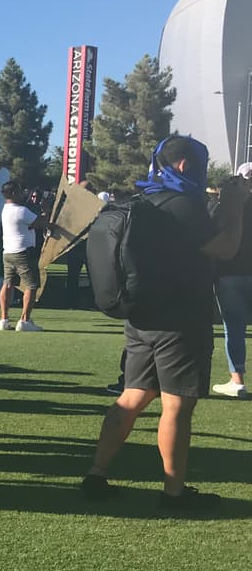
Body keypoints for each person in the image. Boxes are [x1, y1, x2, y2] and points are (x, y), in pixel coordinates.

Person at [83, 136, 248, 510]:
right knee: (177, 407)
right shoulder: (185, 205)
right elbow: (224, 249)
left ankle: (97, 473)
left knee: (132, 397)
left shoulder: (146, 200)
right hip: (181, 318)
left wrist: (223, 206)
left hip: (141, 317)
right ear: (186, 166)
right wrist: (236, 206)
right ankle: (174, 493)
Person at [213, 162, 252, 398]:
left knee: (234, 328)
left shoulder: (228, 205)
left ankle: (237, 380)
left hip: (230, 271)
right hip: (236, 271)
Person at [0, 180, 45, 331]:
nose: (22, 194)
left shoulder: (5, 209)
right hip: (23, 252)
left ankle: (4, 319)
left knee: (8, 284)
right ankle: (24, 320)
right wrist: (46, 211)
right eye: (19, 191)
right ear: (13, 193)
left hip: (8, 252)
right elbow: (40, 223)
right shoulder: (21, 211)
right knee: (31, 285)